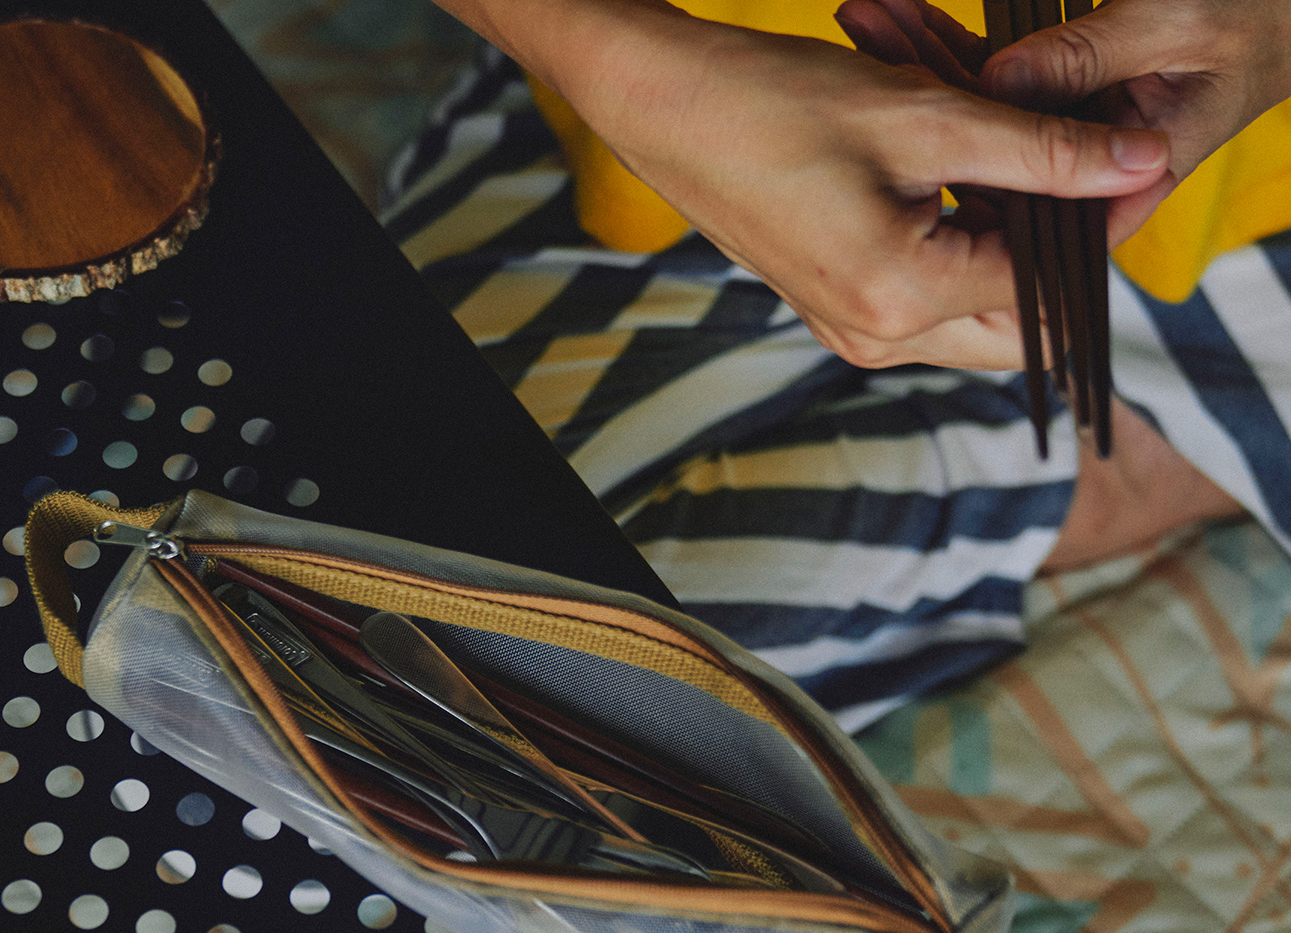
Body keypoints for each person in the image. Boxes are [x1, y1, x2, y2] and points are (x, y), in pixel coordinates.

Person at [388, 0, 1291, 724]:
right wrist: (616, 61)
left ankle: (1124, 455)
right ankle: (1116, 445)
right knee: (444, 654)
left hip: (1261, 173)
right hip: (662, 75)